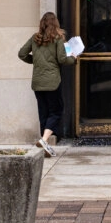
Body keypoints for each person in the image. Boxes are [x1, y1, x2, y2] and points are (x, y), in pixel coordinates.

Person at [18, 11, 76, 157]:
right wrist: (74, 58)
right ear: (55, 23)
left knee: (43, 113)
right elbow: (63, 59)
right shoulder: (58, 38)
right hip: (52, 82)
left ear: (42, 24)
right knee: (56, 111)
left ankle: (45, 145)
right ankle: (44, 140)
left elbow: (21, 54)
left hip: (38, 82)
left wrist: (36, 62)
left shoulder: (35, 38)